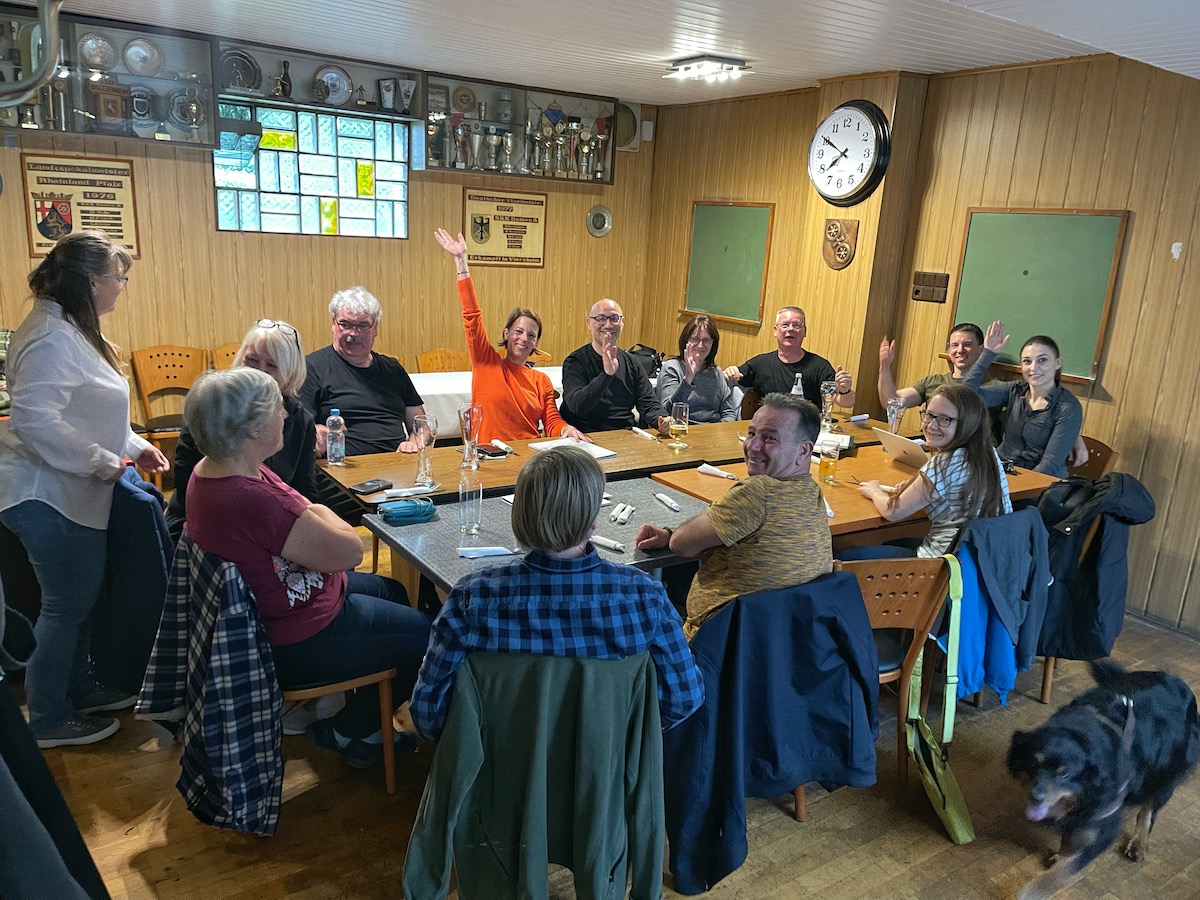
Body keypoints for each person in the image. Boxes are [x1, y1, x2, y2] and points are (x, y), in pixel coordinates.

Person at [183, 368, 432, 768]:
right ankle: (351, 729)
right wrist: (316, 514)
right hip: (297, 636)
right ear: (250, 428)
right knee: (427, 634)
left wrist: (312, 513)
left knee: (395, 592)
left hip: (289, 602)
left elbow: (302, 505)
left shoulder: (217, 468)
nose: (284, 415)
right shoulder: (249, 497)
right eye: (275, 410)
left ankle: (365, 724)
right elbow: (350, 550)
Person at [0, 231, 169, 748]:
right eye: (118, 277)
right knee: (65, 607)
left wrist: (135, 444)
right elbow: (34, 420)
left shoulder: (69, 327)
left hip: (69, 490)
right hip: (48, 494)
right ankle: (50, 719)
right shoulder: (52, 336)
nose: (121, 287)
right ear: (92, 281)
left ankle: (78, 690)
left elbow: (90, 409)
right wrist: (102, 462)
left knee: (78, 601)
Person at [409, 445, 703, 741]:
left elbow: (427, 712)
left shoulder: (471, 599)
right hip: (605, 777)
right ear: (592, 520)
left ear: (519, 514)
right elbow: (684, 698)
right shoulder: (645, 598)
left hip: (497, 773)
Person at [635, 393, 832, 639]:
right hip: (782, 642)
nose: (753, 446)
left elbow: (681, 544)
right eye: (751, 434)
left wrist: (672, 535)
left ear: (804, 450)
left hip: (717, 648)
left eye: (770, 438)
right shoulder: (813, 493)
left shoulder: (757, 492)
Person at [165, 319, 316, 544]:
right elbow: (189, 487)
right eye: (252, 360)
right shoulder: (210, 406)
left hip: (273, 523)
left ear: (290, 372)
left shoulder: (299, 419)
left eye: (272, 366)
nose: (260, 372)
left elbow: (306, 490)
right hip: (207, 523)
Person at [432, 228, 589, 443]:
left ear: (535, 343)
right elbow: (472, 316)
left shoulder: (541, 381)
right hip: (490, 456)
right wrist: (461, 262)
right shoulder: (485, 363)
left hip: (529, 455)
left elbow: (551, 421)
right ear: (506, 334)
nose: (524, 338)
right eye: (518, 331)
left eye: (531, 335)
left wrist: (565, 430)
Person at [854, 384, 1012, 558]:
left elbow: (893, 511)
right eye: (929, 415)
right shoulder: (988, 453)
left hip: (943, 568)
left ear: (968, 423)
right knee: (894, 543)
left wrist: (874, 491)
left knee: (847, 556)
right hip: (982, 561)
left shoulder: (945, 463)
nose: (931, 425)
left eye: (945, 419)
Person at [299, 286, 424, 457]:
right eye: (345, 324)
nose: (353, 333)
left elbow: (421, 424)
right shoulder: (311, 367)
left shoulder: (392, 369)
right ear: (333, 325)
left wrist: (413, 444)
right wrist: (318, 436)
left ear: (375, 328)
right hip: (342, 469)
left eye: (362, 325)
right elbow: (301, 429)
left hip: (398, 464)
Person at [965, 322, 1084, 477]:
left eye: (1042, 360)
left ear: (1057, 363)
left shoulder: (1067, 406)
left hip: (1039, 485)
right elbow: (967, 396)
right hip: (1002, 471)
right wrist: (988, 353)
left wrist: (1010, 489)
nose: (1033, 368)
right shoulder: (1015, 389)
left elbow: (1049, 465)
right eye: (1027, 361)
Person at [559, 299, 671, 434]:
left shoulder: (631, 362)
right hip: (583, 436)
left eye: (614, 318)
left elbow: (648, 403)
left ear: (622, 322)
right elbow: (576, 406)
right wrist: (606, 375)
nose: (608, 325)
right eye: (600, 319)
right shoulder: (575, 361)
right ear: (589, 323)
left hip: (623, 434)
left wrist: (662, 420)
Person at [723, 306, 855, 409]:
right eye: (785, 325)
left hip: (807, 429)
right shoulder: (760, 363)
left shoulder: (820, 366)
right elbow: (730, 378)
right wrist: (730, 372)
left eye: (797, 325)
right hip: (772, 429)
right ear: (775, 330)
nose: (790, 329)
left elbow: (847, 403)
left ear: (805, 332)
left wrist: (844, 390)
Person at [877, 322, 992, 408]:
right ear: (949, 349)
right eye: (955, 345)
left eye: (967, 344)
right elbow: (891, 403)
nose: (960, 350)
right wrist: (885, 366)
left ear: (981, 350)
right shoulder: (932, 382)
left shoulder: (992, 387)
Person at [656, 315, 739, 423]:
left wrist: (723, 432)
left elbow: (728, 412)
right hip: (682, 430)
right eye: (695, 339)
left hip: (713, 432)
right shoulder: (672, 367)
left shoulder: (716, 372)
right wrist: (688, 378)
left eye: (706, 340)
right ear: (686, 341)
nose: (700, 346)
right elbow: (667, 411)